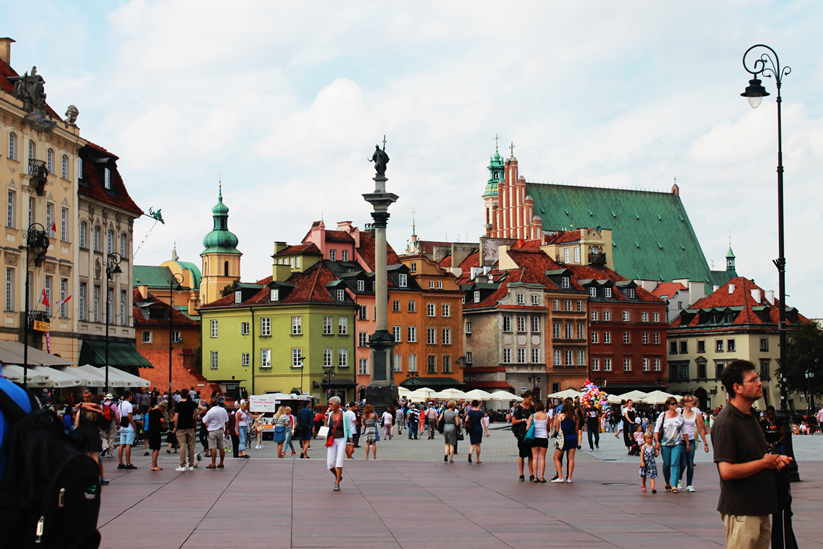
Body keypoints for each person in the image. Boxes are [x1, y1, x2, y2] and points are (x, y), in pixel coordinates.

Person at [713, 360, 791, 549]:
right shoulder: (726, 422)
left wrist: (774, 461)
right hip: (742, 511)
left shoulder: (750, 417)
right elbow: (727, 471)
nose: (759, 383)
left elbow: (756, 457)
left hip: (760, 508)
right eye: (753, 379)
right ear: (737, 387)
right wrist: (765, 463)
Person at [74, 390, 108, 485]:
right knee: (95, 459)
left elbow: (76, 425)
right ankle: (95, 478)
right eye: (84, 397)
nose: (86, 399)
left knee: (85, 458)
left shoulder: (81, 410)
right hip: (94, 436)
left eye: (87, 397)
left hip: (84, 436)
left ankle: (86, 478)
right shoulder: (96, 411)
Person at [653, 396, 686, 493]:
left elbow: (683, 430)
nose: (675, 405)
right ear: (668, 405)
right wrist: (657, 442)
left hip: (677, 443)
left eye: (676, 403)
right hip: (664, 443)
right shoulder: (663, 415)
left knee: (675, 464)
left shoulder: (680, 416)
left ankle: (674, 485)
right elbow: (656, 430)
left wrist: (687, 442)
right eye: (672, 404)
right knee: (666, 464)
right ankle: (667, 482)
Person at [680, 395, 709, 492]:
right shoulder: (679, 413)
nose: (693, 402)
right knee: (683, 463)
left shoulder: (696, 414)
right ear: (685, 403)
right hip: (681, 440)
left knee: (690, 463)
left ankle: (689, 484)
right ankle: (679, 479)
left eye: (692, 401)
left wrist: (705, 443)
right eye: (690, 401)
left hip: (691, 439)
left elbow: (700, 430)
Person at [174, 388, 205, 471]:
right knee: (191, 446)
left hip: (181, 427)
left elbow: (176, 418)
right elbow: (203, 409)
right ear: (187, 395)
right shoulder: (192, 403)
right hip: (190, 426)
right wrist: (195, 415)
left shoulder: (178, 405)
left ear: (180, 395)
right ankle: (191, 465)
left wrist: (175, 427)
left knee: (183, 445)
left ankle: (182, 465)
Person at [325, 396, 351, 491]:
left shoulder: (344, 415)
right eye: (329, 403)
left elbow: (348, 428)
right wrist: (325, 418)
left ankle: (337, 483)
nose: (329, 405)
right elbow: (326, 427)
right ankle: (338, 476)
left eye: (331, 404)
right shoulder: (330, 414)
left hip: (341, 439)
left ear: (337, 404)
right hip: (332, 440)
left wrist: (350, 442)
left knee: (339, 462)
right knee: (330, 464)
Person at [551, 398, 578, 483]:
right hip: (573, 437)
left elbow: (558, 429)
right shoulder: (575, 417)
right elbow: (576, 430)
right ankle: (569, 477)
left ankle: (560, 476)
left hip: (563, 438)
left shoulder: (560, 416)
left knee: (556, 457)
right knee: (571, 458)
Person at [512, 391, 535, 482]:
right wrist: (522, 420)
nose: (530, 401)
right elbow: (513, 421)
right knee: (521, 454)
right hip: (521, 434)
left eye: (531, 400)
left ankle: (531, 474)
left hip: (531, 434)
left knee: (531, 455)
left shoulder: (532, 408)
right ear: (525, 397)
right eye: (529, 399)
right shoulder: (518, 408)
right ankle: (521, 474)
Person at [202, 400, 229, 469]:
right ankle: (221, 462)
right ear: (218, 403)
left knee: (213, 447)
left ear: (211, 404)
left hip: (212, 430)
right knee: (221, 447)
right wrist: (226, 429)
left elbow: (204, 420)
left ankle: (213, 463)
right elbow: (226, 421)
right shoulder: (223, 410)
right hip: (221, 430)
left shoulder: (210, 411)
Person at [526, 400, 549, 482]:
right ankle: (542, 477)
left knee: (535, 457)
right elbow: (547, 429)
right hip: (544, 438)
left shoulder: (532, 416)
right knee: (542, 458)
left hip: (534, 438)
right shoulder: (547, 416)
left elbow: (527, 428)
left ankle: (535, 477)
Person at [117, 391, 138, 470]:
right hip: (129, 427)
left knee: (121, 444)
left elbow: (119, 417)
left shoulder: (120, 404)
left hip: (123, 427)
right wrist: (134, 426)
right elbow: (130, 417)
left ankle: (120, 462)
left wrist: (119, 425)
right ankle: (128, 463)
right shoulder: (129, 405)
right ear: (129, 396)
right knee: (128, 445)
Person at [466, 400, 488, 464]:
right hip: (478, 428)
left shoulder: (469, 411)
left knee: (473, 443)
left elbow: (466, 419)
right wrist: (486, 431)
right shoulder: (480, 412)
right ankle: (478, 459)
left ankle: (470, 453)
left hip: (472, 428)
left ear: (472, 404)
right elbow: (483, 422)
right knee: (478, 444)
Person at [148, 400, 168, 471]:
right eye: (164, 409)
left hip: (150, 430)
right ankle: (153, 465)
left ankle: (155, 464)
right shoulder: (157, 412)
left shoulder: (151, 411)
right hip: (155, 431)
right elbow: (162, 420)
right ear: (162, 407)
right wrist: (166, 422)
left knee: (155, 448)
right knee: (156, 448)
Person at [99, 393, 118, 458]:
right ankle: (110, 453)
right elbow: (116, 415)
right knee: (111, 437)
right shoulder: (113, 405)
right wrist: (117, 422)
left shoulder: (102, 405)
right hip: (111, 421)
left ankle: (104, 447)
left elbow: (100, 413)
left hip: (104, 422)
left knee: (104, 436)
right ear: (111, 398)